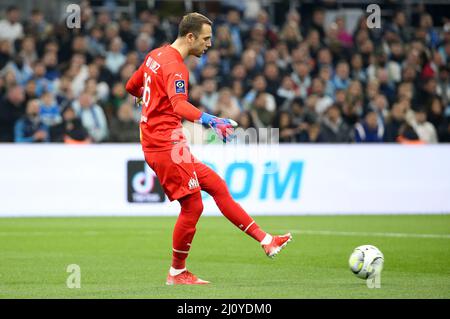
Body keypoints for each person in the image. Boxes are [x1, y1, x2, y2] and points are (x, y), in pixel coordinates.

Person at [125, 13, 292, 285]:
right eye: (206, 38)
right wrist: (211, 121)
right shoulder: (177, 67)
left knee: (216, 185)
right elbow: (178, 105)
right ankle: (177, 272)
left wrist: (143, 99)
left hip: (165, 141)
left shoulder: (155, 55)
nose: (209, 44)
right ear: (190, 37)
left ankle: (267, 240)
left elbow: (131, 86)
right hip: (164, 144)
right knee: (192, 206)